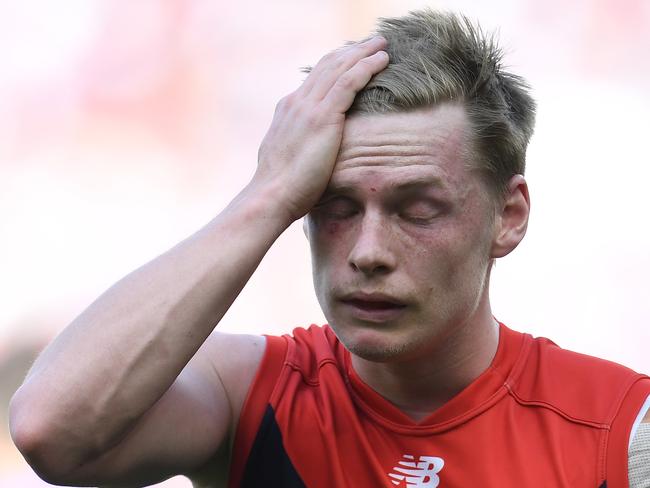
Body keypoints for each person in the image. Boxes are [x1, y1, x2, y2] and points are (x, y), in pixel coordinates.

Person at [8, 9, 649, 488]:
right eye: (333, 208)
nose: (369, 250)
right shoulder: (252, 392)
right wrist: (268, 194)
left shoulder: (621, 429)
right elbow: (51, 432)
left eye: (418, 210)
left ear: (508, 217)